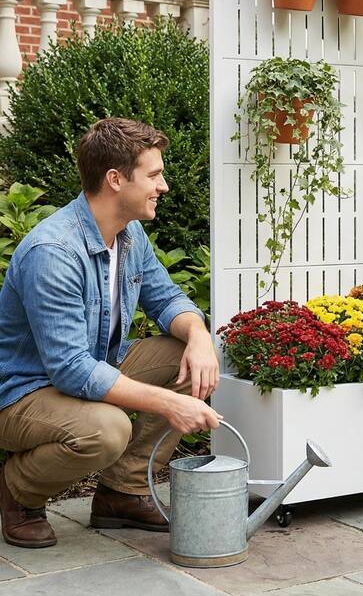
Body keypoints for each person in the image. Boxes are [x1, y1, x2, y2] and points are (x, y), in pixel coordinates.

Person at [0, 118, 222, 548]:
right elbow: (71, 371)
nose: (165, 186)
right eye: (154, 175)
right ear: (115, 179)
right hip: (23, 394)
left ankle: (123, 491)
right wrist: (169, 402)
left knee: (191, 358)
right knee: (106, 429)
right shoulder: (54, 253)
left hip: (91, 368)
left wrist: (199, 338)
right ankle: (17, 491)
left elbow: (167, 299)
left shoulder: (128, 234)